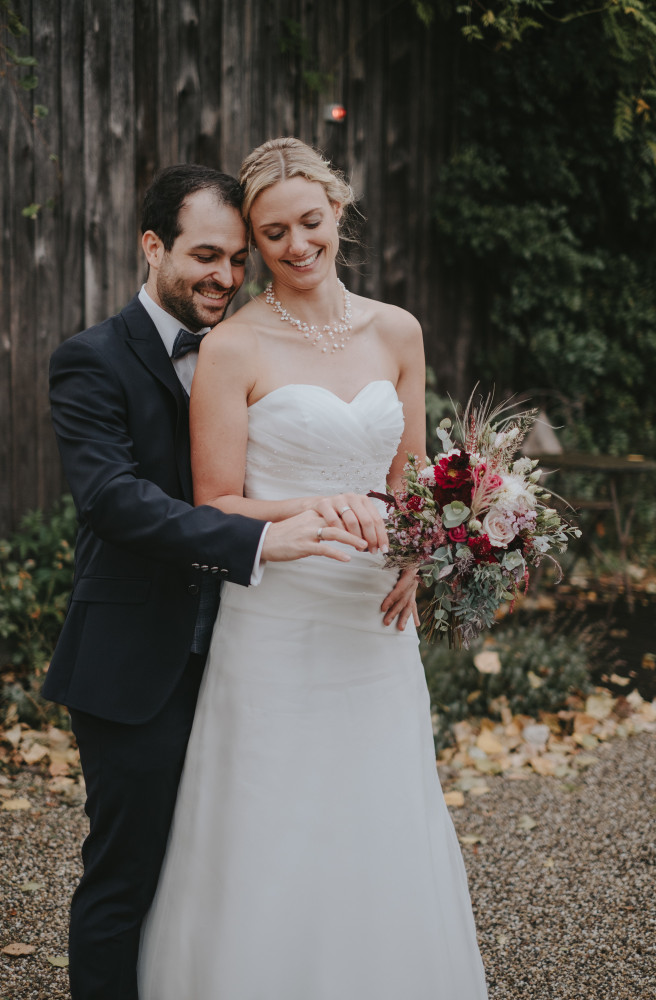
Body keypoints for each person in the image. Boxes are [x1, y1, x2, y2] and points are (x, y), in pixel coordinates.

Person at [138, 139, 488, 999]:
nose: (296, 246)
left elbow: (411, 480)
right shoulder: (234, 346)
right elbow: (215, 502)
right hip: (277, 617)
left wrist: (418, 552)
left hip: (373, 621)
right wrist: (304, 510)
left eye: (310, 223)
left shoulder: (396, 330)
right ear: (253, 242)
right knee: (272, 816)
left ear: (340, 211)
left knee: (380, 809)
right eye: (272, 234)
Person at [44, 164, 375, 1000]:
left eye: (235, 258)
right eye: (203, 255)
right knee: (128, 877)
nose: (224, 276)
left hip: (252, 661)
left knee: (232, 873)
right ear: (152, 246)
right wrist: (262, 543)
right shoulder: (90, 361)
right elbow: (117, 504)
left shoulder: (257, 344)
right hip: (138, 664)